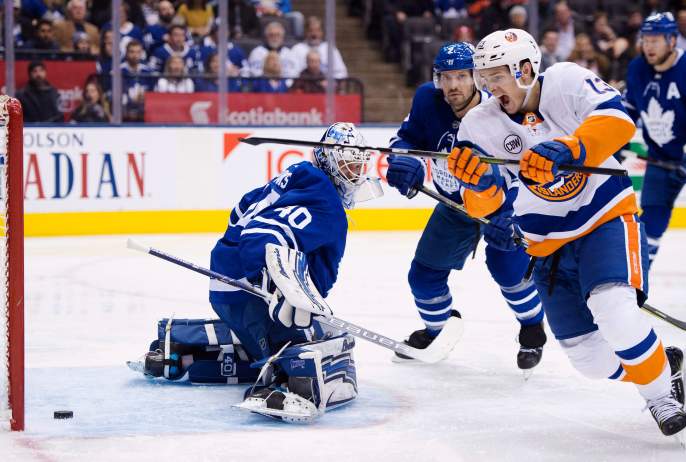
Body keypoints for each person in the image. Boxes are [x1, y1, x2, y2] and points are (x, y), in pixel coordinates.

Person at [449, 28, 686, 437]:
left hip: (604, 218)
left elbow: (618, 121)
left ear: (525, 69)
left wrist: (572, 148)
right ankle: (663, 365)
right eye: (484, 78)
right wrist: (479, 185)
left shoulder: (565, 80)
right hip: (547, 246)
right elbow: (483, 206)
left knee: (613, 308)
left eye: (497, 76)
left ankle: (660, 396)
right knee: (589, 360)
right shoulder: (478, 123)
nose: (489, 87)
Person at [131, 122, 378, 422]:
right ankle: (281, 386)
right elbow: (262, 235)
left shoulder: (298, 176)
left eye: (359, 166)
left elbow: (241, 213)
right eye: (349, 165)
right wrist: (277, 285)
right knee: (316, 339)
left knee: (258, 339)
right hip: (252, 293)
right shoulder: (326, 202)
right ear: (330, 163)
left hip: (227, 287)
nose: (356, 174)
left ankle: (180, 350)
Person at [385, 42, 547, 371]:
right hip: (453, 205)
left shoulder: (498, 110)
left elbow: (524, 173)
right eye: (445, 77)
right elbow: (405, 139)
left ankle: (532, 327)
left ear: (476, 77)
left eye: (461, 76)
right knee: (423, 276)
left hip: (501, 207)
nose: (453, 85)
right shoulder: (427, 100)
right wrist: (404, 160)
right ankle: (438, 330)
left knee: (509, 271)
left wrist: (511, 215)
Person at [623, 13, 686, 264]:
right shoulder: (637, 69)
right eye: (645, 39)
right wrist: (615, 138)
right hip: (661, 158)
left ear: (672, 40)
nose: (649, 46)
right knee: (651, 220)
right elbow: (627, 111)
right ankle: (636, 280)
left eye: (655, 40)